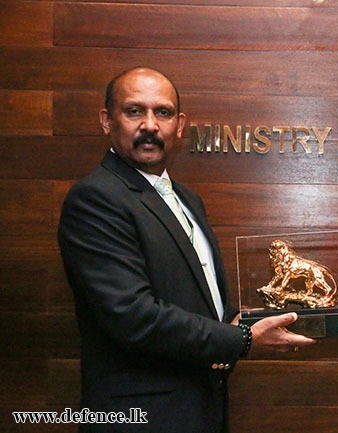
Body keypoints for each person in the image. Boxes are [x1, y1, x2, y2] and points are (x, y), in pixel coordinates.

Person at [58, 67, 315, 433]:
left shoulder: (187, 199)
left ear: (179, 126)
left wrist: (275, 318)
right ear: (106, 120)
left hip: (198, 409)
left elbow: (198, 302)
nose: (150, 125)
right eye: (134, 111)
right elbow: (133, 316)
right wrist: (242, 339)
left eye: (162, 113)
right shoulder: (96, 198)